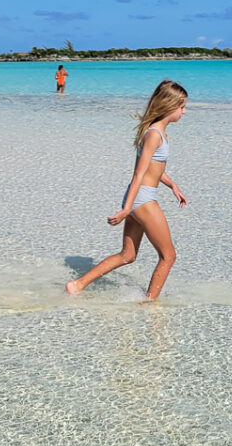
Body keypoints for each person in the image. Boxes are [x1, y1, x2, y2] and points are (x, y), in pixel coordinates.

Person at [66, 79, 188, 301]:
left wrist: (173, 186)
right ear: (170, 106)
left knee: (128, 255)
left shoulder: (157, 132)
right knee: (168, 256)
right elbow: (139, 174)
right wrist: (126, 209)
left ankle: (77, 285)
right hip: (143, 200)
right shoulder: (154, 134)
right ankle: (150, 303)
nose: (184, 112)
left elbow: (154, 170)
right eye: (182, 107)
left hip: (138, 199)